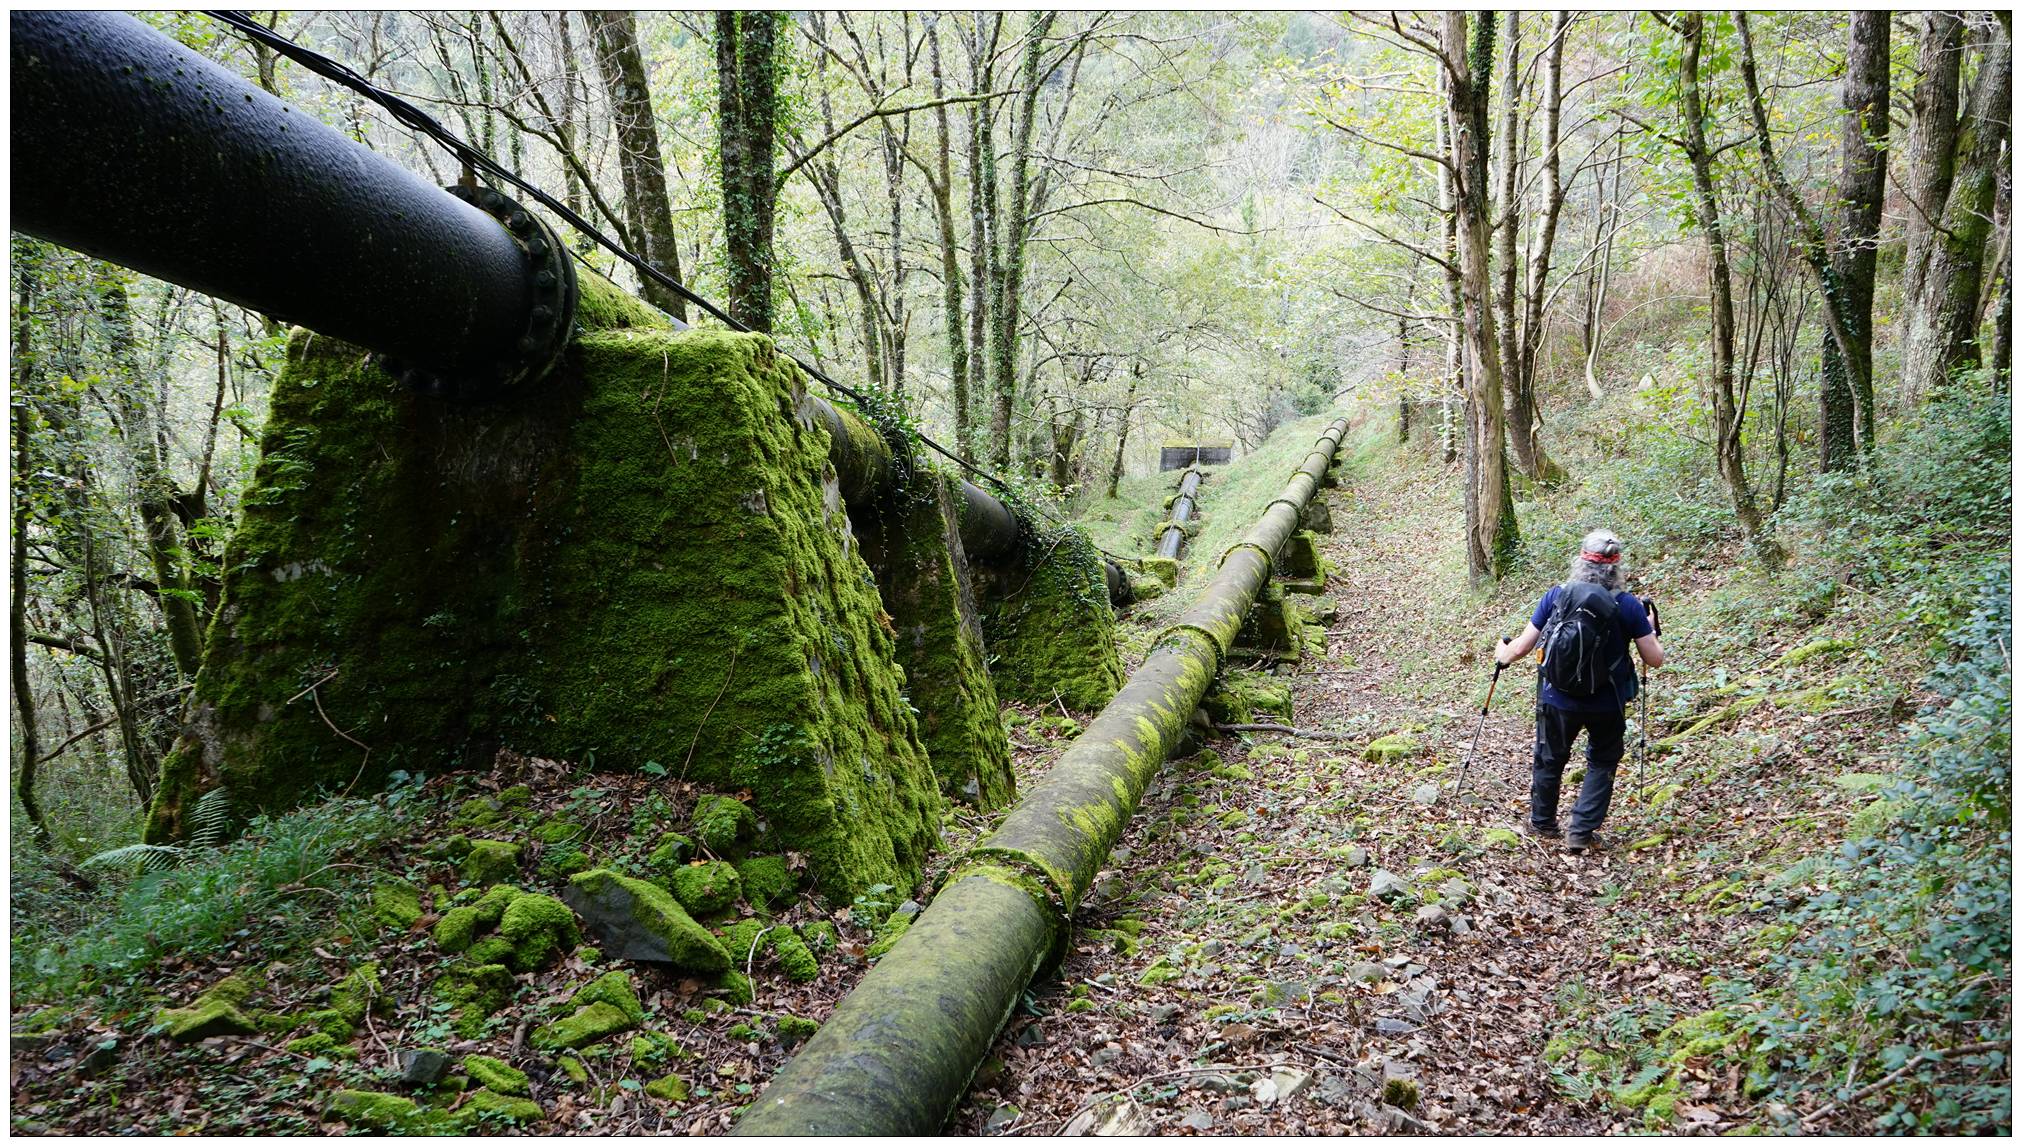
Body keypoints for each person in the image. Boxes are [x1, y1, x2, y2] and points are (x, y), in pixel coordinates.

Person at [1494, 529, 1664, 853]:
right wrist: (1652, 628)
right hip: (1607, 702)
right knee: (1603, 760)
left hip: (1557, 697)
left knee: (1549, 758)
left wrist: (1502, 655)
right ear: (1616, 567)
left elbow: (1522, 647)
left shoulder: (1557, 596)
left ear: (1581, 562)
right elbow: (1654, 659)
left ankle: (1543, 823)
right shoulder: (1628, 605)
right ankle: (1581, 831)